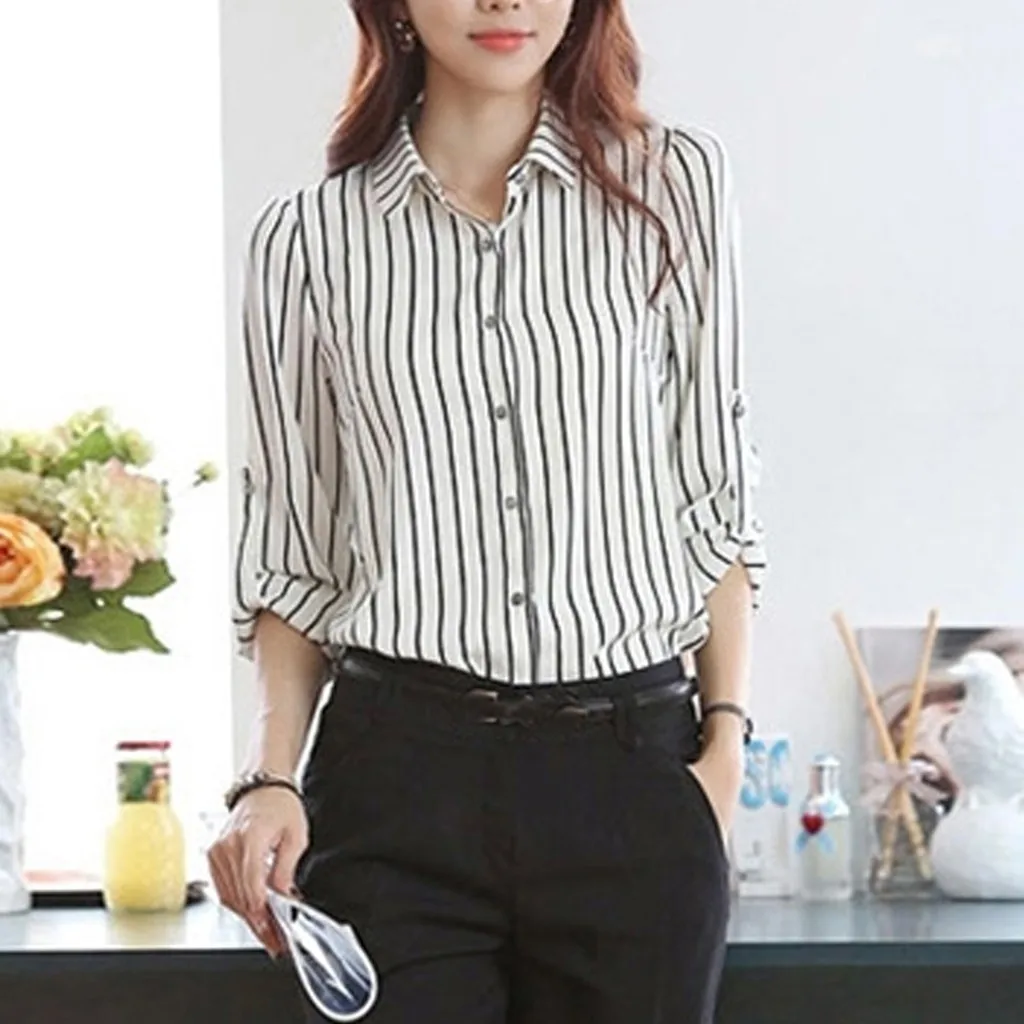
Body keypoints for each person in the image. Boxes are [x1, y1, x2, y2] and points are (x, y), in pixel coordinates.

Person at [208, 1, 769, 1021]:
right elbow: (295, 545)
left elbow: (715, 488)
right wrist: (268, 778)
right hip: (395, 788)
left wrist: (720, 751)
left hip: (633, 781)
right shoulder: (307, 242)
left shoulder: (673, 186)